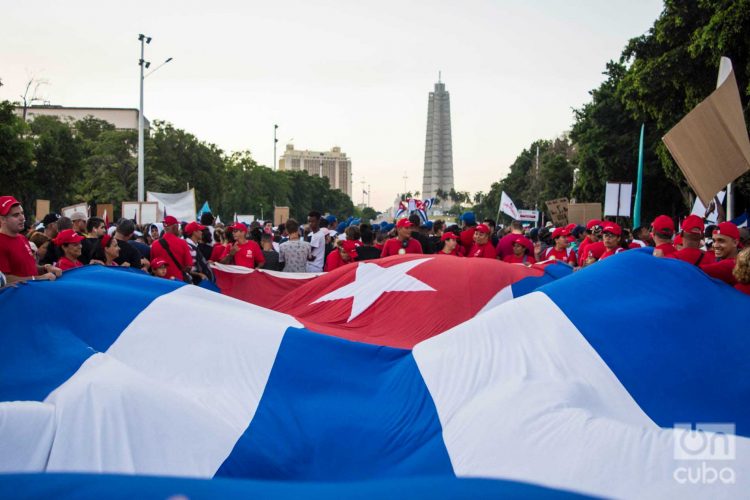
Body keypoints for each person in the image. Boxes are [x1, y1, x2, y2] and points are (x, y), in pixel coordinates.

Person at [0, 196, 62, 283]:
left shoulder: (22, 238)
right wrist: (37, 279)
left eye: (22, 213)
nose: (22, 218)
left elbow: (29, 267)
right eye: (16, 215)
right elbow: (4, 279)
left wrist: (45, 268)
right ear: (2, 219)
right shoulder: (1, 243)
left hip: (32, 294)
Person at [151, 215, 192, 280]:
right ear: (175, 227)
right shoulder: (182, 243)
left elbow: (153, 265)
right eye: (178, 226)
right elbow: (189, 265)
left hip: (160, 281)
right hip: (177, 282)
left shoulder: (154, 244)